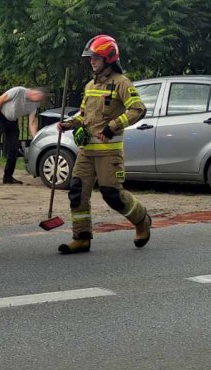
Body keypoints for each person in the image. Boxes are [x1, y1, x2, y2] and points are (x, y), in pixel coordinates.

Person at [56, 35, 151, 254]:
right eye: (90, 58)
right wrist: (69, 124)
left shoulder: (121, 83)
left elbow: (138, 109)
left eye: (96, 57)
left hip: (109, 153)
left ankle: (142, 220)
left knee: (112, 195)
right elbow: (84, 115)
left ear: (108, 58)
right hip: (86, 152)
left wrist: (113, 126)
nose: (92, 61)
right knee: (77, 192)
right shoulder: (90, 86)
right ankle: (81, 237)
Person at [0, 86, 47, 185]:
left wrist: (36, 138)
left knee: (14, 148)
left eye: (39, 99)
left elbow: (32, 123)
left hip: (12, 121)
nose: (37, 100)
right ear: (34, 92)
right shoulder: (18, 91)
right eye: (37, 96)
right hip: (1, 117)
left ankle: (8, 177)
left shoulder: (34, 104)